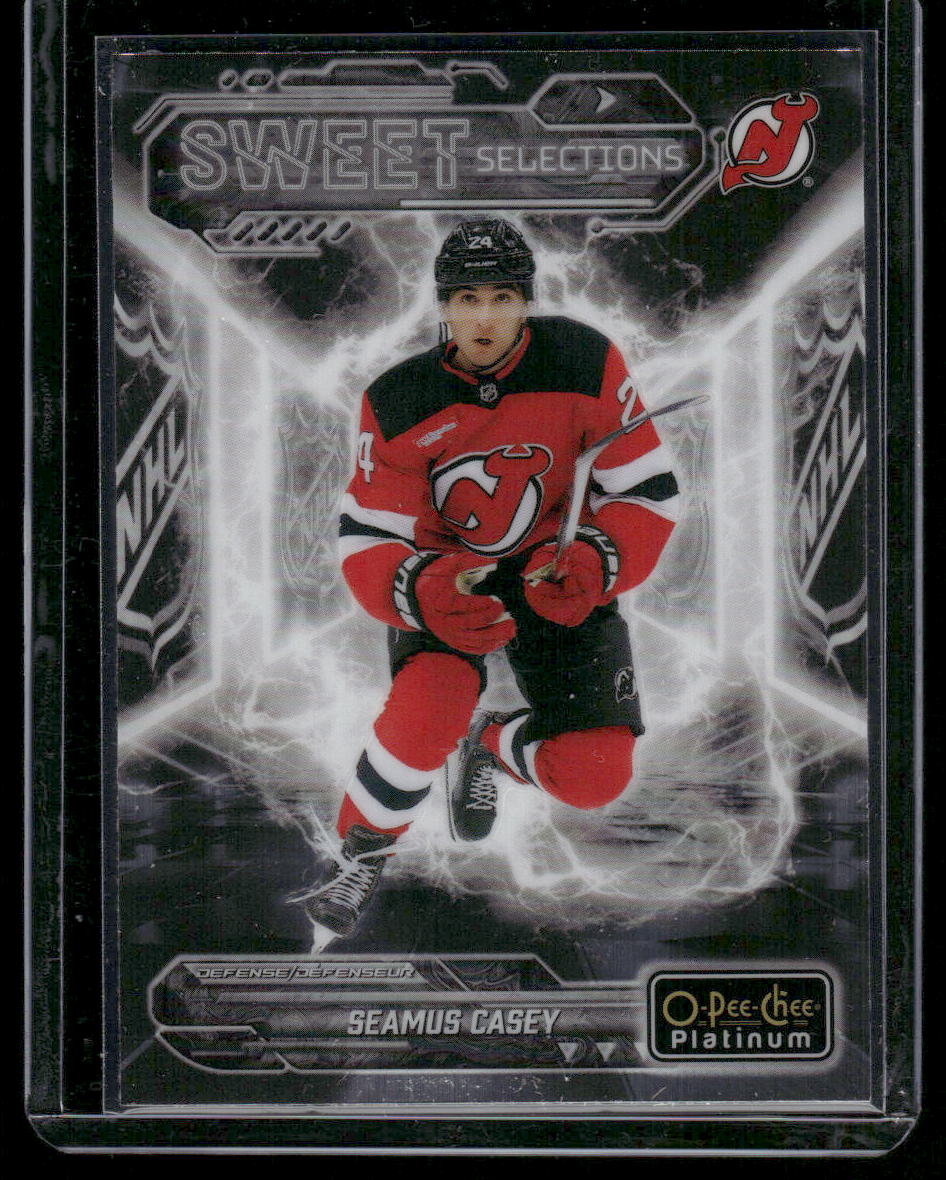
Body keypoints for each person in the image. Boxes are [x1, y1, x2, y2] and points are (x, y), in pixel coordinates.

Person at [304, 218, 679, 943]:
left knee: (595, 775)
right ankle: (363, 852)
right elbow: (368, 534)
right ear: (443, 305)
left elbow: (647, 489)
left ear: (526, 301)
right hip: (452, 579)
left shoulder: (585, 360)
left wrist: (598, 561)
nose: (484, 319)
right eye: (467, 299)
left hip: (557, 569)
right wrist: (420, 590)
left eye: (502, 298)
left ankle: (491, 745)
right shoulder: (398, 398)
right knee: (427, 709)